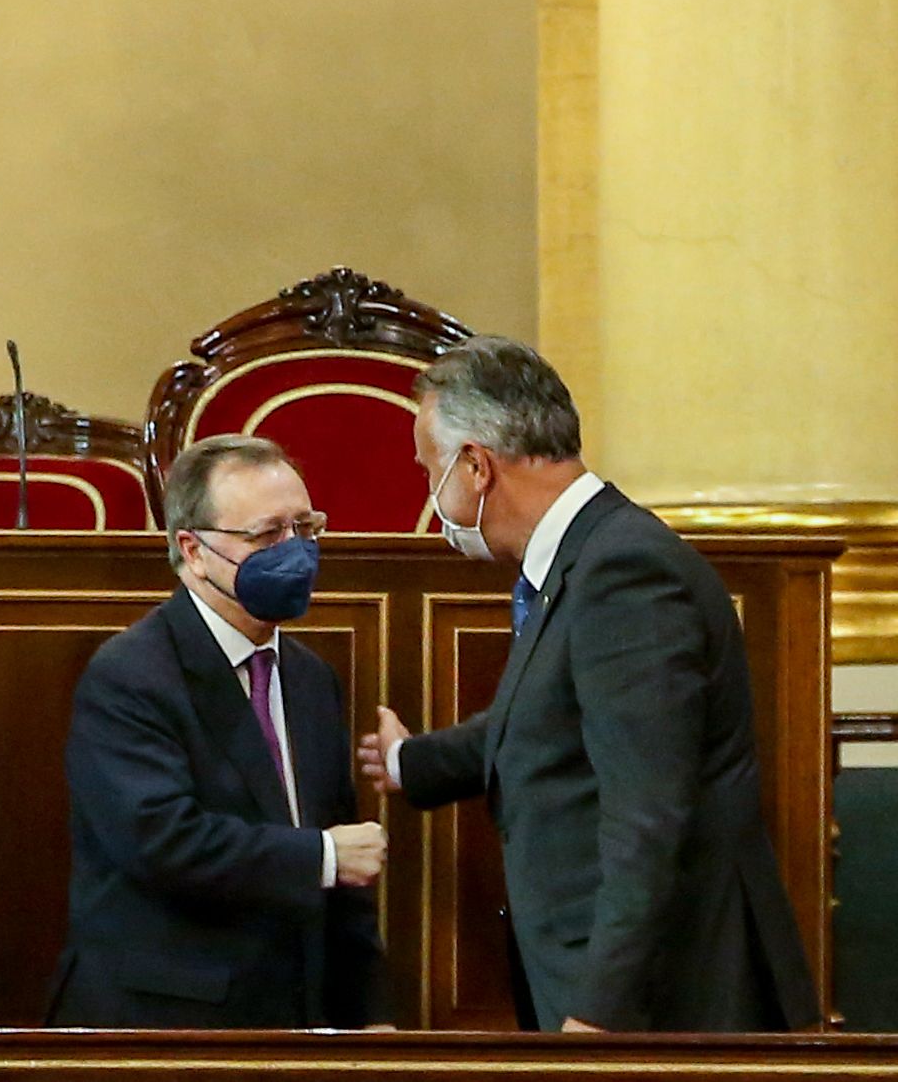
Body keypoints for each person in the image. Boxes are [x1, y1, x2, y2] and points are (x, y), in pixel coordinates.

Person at [357, 336, 820, 1032]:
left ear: (476, 465)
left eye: (431, 470)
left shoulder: (623, 573)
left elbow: (647, 810)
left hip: (654, 999)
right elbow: (548, 714)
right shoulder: (585, 557)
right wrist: (409, 761)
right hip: (599, 974)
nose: (433, 495)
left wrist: (598, 1013)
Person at [48, 435, 389, 1029]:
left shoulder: (311, 678)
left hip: (296, 1019)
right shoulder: (130, 674)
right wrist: (322, 856)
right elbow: (162, 842)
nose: (296, 552)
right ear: (194, 550)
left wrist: (369, 1013)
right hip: (168, 1023)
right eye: (267, 535)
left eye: (306, 529)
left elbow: (346, 871)